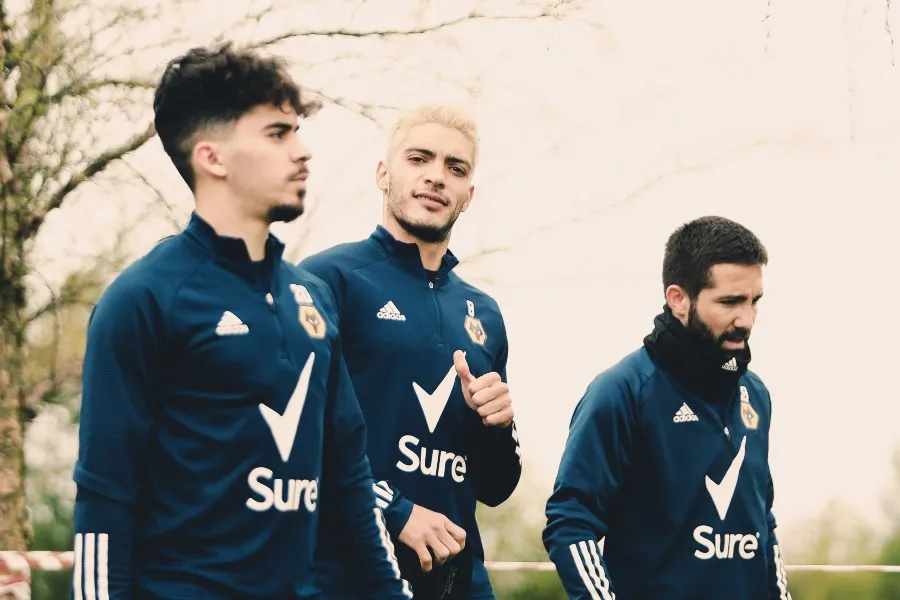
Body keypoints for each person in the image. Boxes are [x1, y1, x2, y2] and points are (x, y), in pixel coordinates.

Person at [70, 42, 411, 600]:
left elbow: (349, 483)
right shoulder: (143, 299)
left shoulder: (315, 299)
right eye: (278, 134)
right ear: (213, 158)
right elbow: (105, 501)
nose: (303, 152)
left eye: (297, 131)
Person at [299, 104, 522, 599]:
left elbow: (496, 486)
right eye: (419, 159)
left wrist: (498, 427)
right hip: (345, 576)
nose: (436, 177)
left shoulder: (483, 313)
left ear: (469, 194)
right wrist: (394, 509)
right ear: (383, 173)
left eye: (455, 168)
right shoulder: (326, 280)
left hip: (457, 583)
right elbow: (297, 438)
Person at [543, 216, 792, 600]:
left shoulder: (755, 393)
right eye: (729, 302)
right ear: (679, 299)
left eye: (754, 301)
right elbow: (571, 522)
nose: (747, 320)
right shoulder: (621, 391)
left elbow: (763, 520)